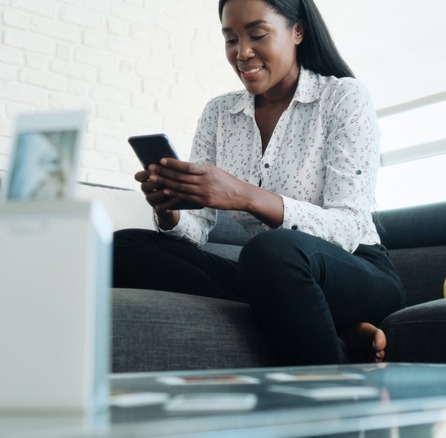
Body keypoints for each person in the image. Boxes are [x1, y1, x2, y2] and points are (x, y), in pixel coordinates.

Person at [113, 0, 405, 365]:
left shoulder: (343, 98)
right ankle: (333, 334)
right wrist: (171, 211)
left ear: (297, 31)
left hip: (354, 270)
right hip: (269, 274)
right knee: (124, 247)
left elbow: (349, 226)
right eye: (230, 39)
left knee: (271, 250)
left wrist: (245, 196)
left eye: (257, 34)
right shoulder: (219, 113)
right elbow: (199, 228)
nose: (242, 52)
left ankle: (328, 386)